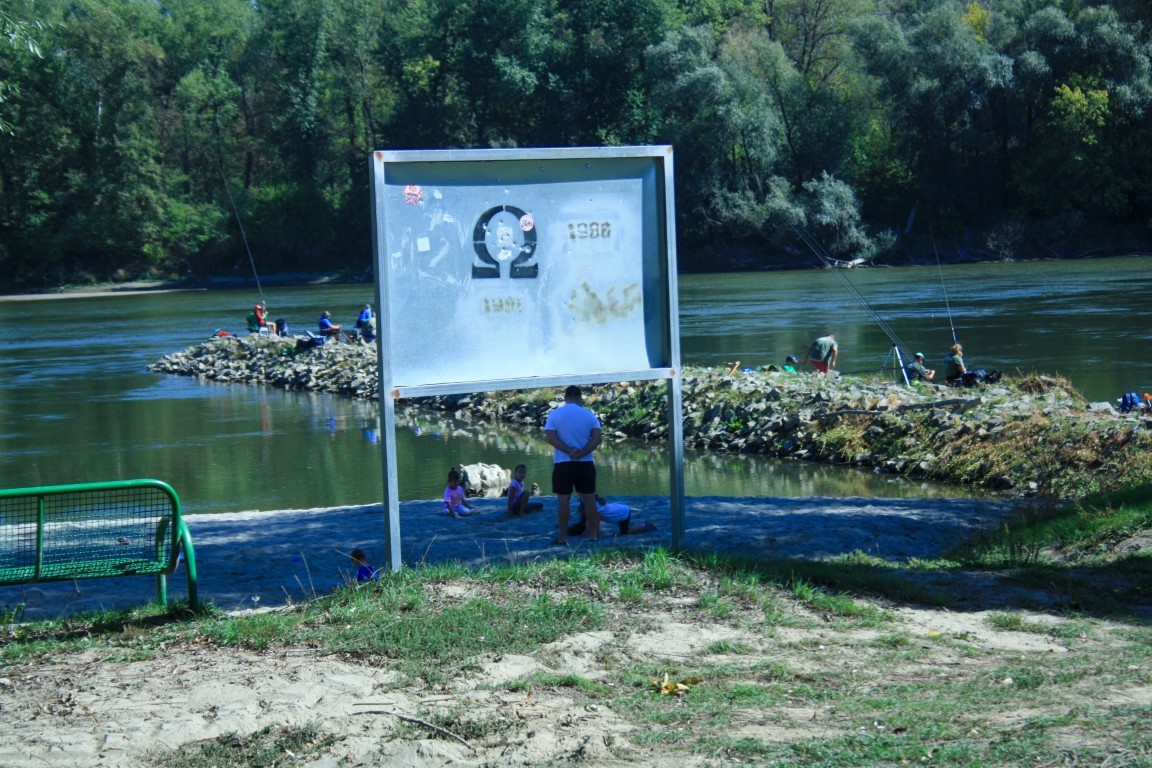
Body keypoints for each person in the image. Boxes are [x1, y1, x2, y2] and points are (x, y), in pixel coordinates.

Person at [544, 385, 602, 545]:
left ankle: (563, 537)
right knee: (589, 498)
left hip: (563, 462)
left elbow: (551, 438)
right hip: (585, 462)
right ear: (579, 397)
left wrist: (570, 451)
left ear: (565, 397)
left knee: (563, 499)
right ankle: (593, 534)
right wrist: (583, 452)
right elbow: (597, 438)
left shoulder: (555, 414)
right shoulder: (589, 415)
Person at [569, 495, 657, 537]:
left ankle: (645, 525)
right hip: (621, 510)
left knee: (625, 533)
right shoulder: (590, 503)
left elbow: (596, 521)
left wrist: (596, 535)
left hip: (623, 512)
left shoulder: (595, 505)